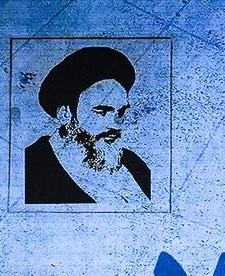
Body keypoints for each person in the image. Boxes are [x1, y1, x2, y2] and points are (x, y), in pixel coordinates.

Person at [25, 46, 151, 205]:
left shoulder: (132, 163)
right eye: (102, 111)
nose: (116, 125)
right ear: (65, 114)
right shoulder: (32, 167)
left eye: (121, 111)